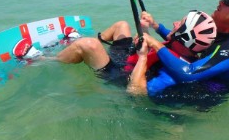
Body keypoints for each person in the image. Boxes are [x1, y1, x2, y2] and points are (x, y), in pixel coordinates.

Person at [127, 0, 229, 95]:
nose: (220, 2)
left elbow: (188, 74)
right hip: (195, 78)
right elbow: (188, 40)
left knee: (146, 86)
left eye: (228, 3)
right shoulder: (221, 31)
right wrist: (156, 26)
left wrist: (155, 44)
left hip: (205, 96)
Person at [53, 10, 217, 93]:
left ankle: (43, 59)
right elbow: (159, 48)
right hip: (128, 59)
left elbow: (135, 92)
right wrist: (146, 27)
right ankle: (72, 41)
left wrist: (143, 57)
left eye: (179, 24)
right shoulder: (182, 46)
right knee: (122, 25)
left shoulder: (173, 72)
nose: (174, 23)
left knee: (89, 45)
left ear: (185, 35)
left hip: (121, 75)